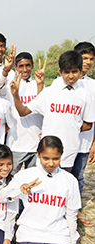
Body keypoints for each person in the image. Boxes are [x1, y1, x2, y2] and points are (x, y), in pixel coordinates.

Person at [0, 136, 93, 244]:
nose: (50, 163)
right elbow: (1, 197)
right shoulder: (25, 175)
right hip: (30, 234)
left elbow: (70, 216)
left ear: (61, 156)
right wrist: (20, 190)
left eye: (56, 158)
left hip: (57, 234)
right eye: (46, 158)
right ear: (38, 155)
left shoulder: (69, 180)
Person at [10, 50, 95, 172]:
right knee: (43, 186)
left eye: (74, 71)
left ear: (81, 71)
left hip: (69, 151)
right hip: (46, 150)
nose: (70, 76)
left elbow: (88, 124)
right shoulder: (49, 92)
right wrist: (16, 95)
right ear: (60, 72)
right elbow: (23, 112)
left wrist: (70, 127)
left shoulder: (86, 95)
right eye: (67, 72)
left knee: (63, 185)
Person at [6, 52, 46, 175]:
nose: (25, 69)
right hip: (16, 143)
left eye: (28, 65)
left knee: (33, 180)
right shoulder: (10, 86)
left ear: (32, 66)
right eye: (21, 66)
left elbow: (41, 106)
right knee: (10, 179)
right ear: (15, 68)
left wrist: (40, 84)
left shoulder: (39, 84)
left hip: (35, 143)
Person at [71, 42, 95, 226]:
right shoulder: (66, 81)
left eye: (91, 59)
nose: (87, 62)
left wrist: (94, 143)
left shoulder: (92, 86)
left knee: (78, 176)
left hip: (84, 141)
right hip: (64, 141)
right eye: (84, 58)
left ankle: (74, 210)